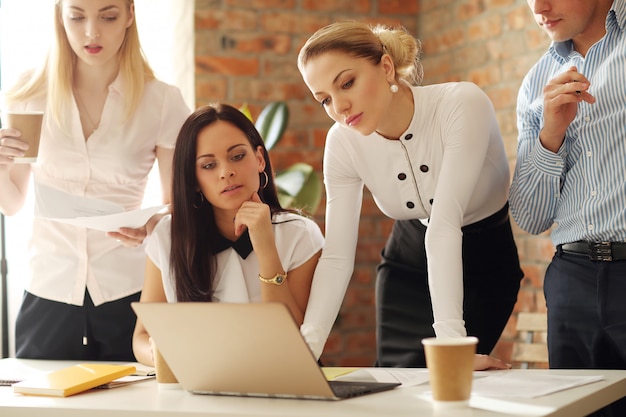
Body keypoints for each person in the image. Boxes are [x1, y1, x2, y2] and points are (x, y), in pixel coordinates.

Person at [297, 21, 523, 370]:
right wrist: (304, 352)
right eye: (325, 99)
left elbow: (445, 225)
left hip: (482, 261)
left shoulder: (461, 103)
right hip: (408, 260)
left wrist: (452, 347)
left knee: (452, 382)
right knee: (396, 380)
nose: (339, 106)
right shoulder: (342, 142)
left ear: (386, 67)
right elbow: (337, 257)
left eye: (347, 83)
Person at [0, 0, 190, 360]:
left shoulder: (162, 101)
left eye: (108, 16)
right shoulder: (30, 93)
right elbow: (12, 204)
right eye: (77, 16)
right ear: (60, 16)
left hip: (126, 291)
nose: (91, 32)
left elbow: (175, 206)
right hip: (48, 290)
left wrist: (150, 224)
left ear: (130, 14)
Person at [132, 103, 324, 366]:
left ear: (259, 159)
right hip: (200, 389)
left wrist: (266, 248)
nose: (226, 172)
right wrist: (158, 354)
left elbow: (295, 344)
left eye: (237, 156)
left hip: (279, 384)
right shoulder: (167, 236)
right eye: (209, 165)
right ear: (193, 180)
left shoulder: (300, 235)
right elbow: (142, 337)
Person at [510, 0, 626, 415]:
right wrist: (551, 133)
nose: (539, 7)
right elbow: (530, 216)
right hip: (571, 279)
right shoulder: (536, 81)